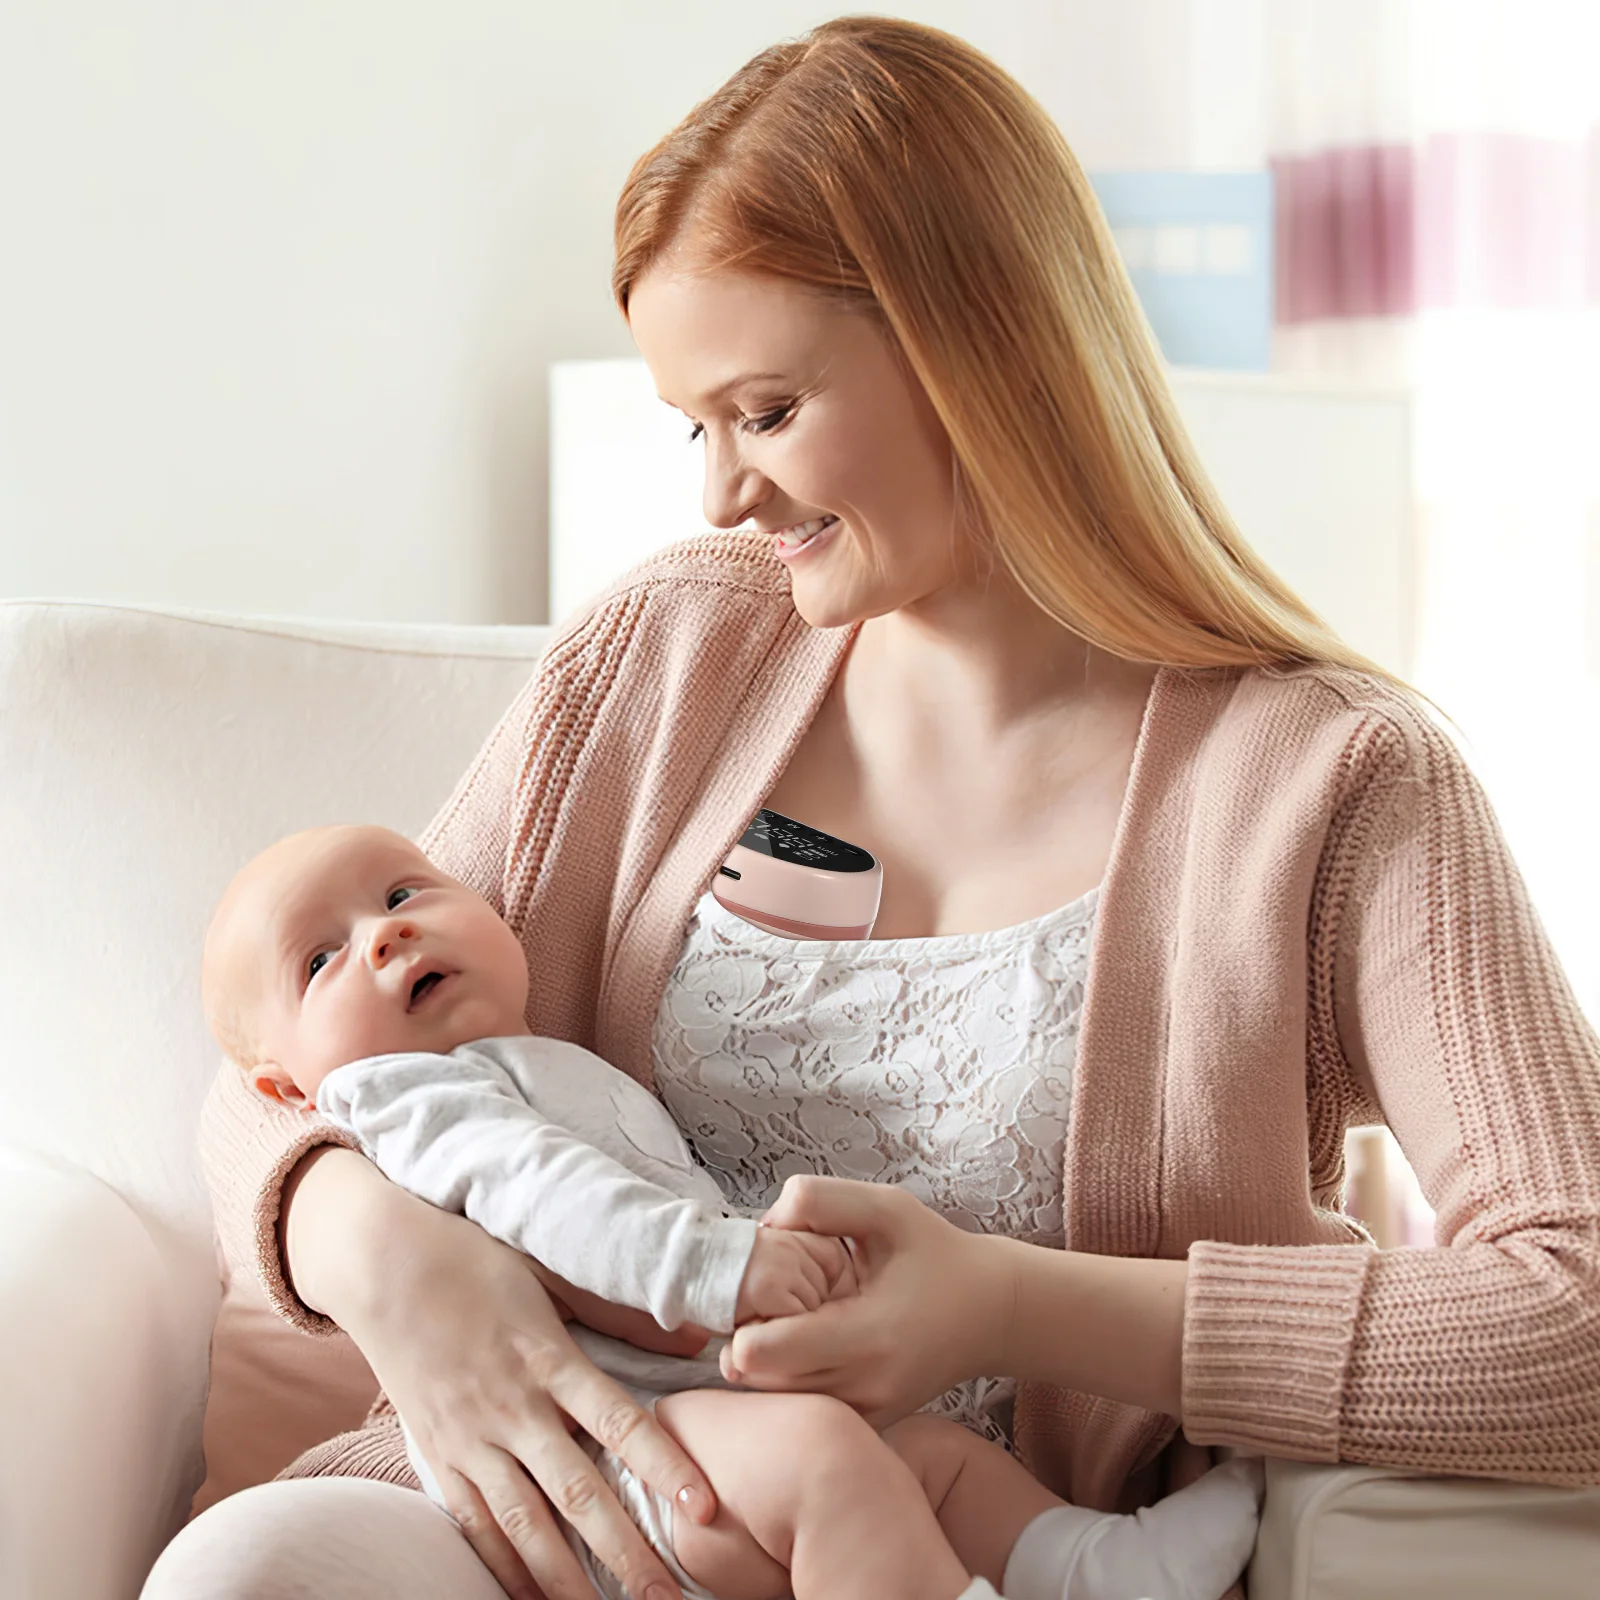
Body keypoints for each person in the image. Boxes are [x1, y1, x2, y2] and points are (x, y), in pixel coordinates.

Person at [144, 15, 1600, 1600]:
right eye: (692, 427)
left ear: (981, 348)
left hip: (989, 1553)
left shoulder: (1338, 784)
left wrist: (1011, 1308)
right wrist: (385, 1255)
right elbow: (281, 1059)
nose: (721, 493)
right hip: (572, 1517)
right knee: (257, 1567)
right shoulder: (669, 653)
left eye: (764, 412)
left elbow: (1575, 1308)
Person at [193, 819, 1264, 1600]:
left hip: (691, 1412)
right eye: (321, 960)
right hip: (606, 1451)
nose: (381, 938)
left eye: (401, 895)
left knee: (930, 1459)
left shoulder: (524, 1060)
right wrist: (718, 1263)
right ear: (290, 1089)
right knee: (831, 1464)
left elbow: (659, 1183)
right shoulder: (412, 1098)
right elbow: (554, 1201)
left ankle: (1100, 1568)